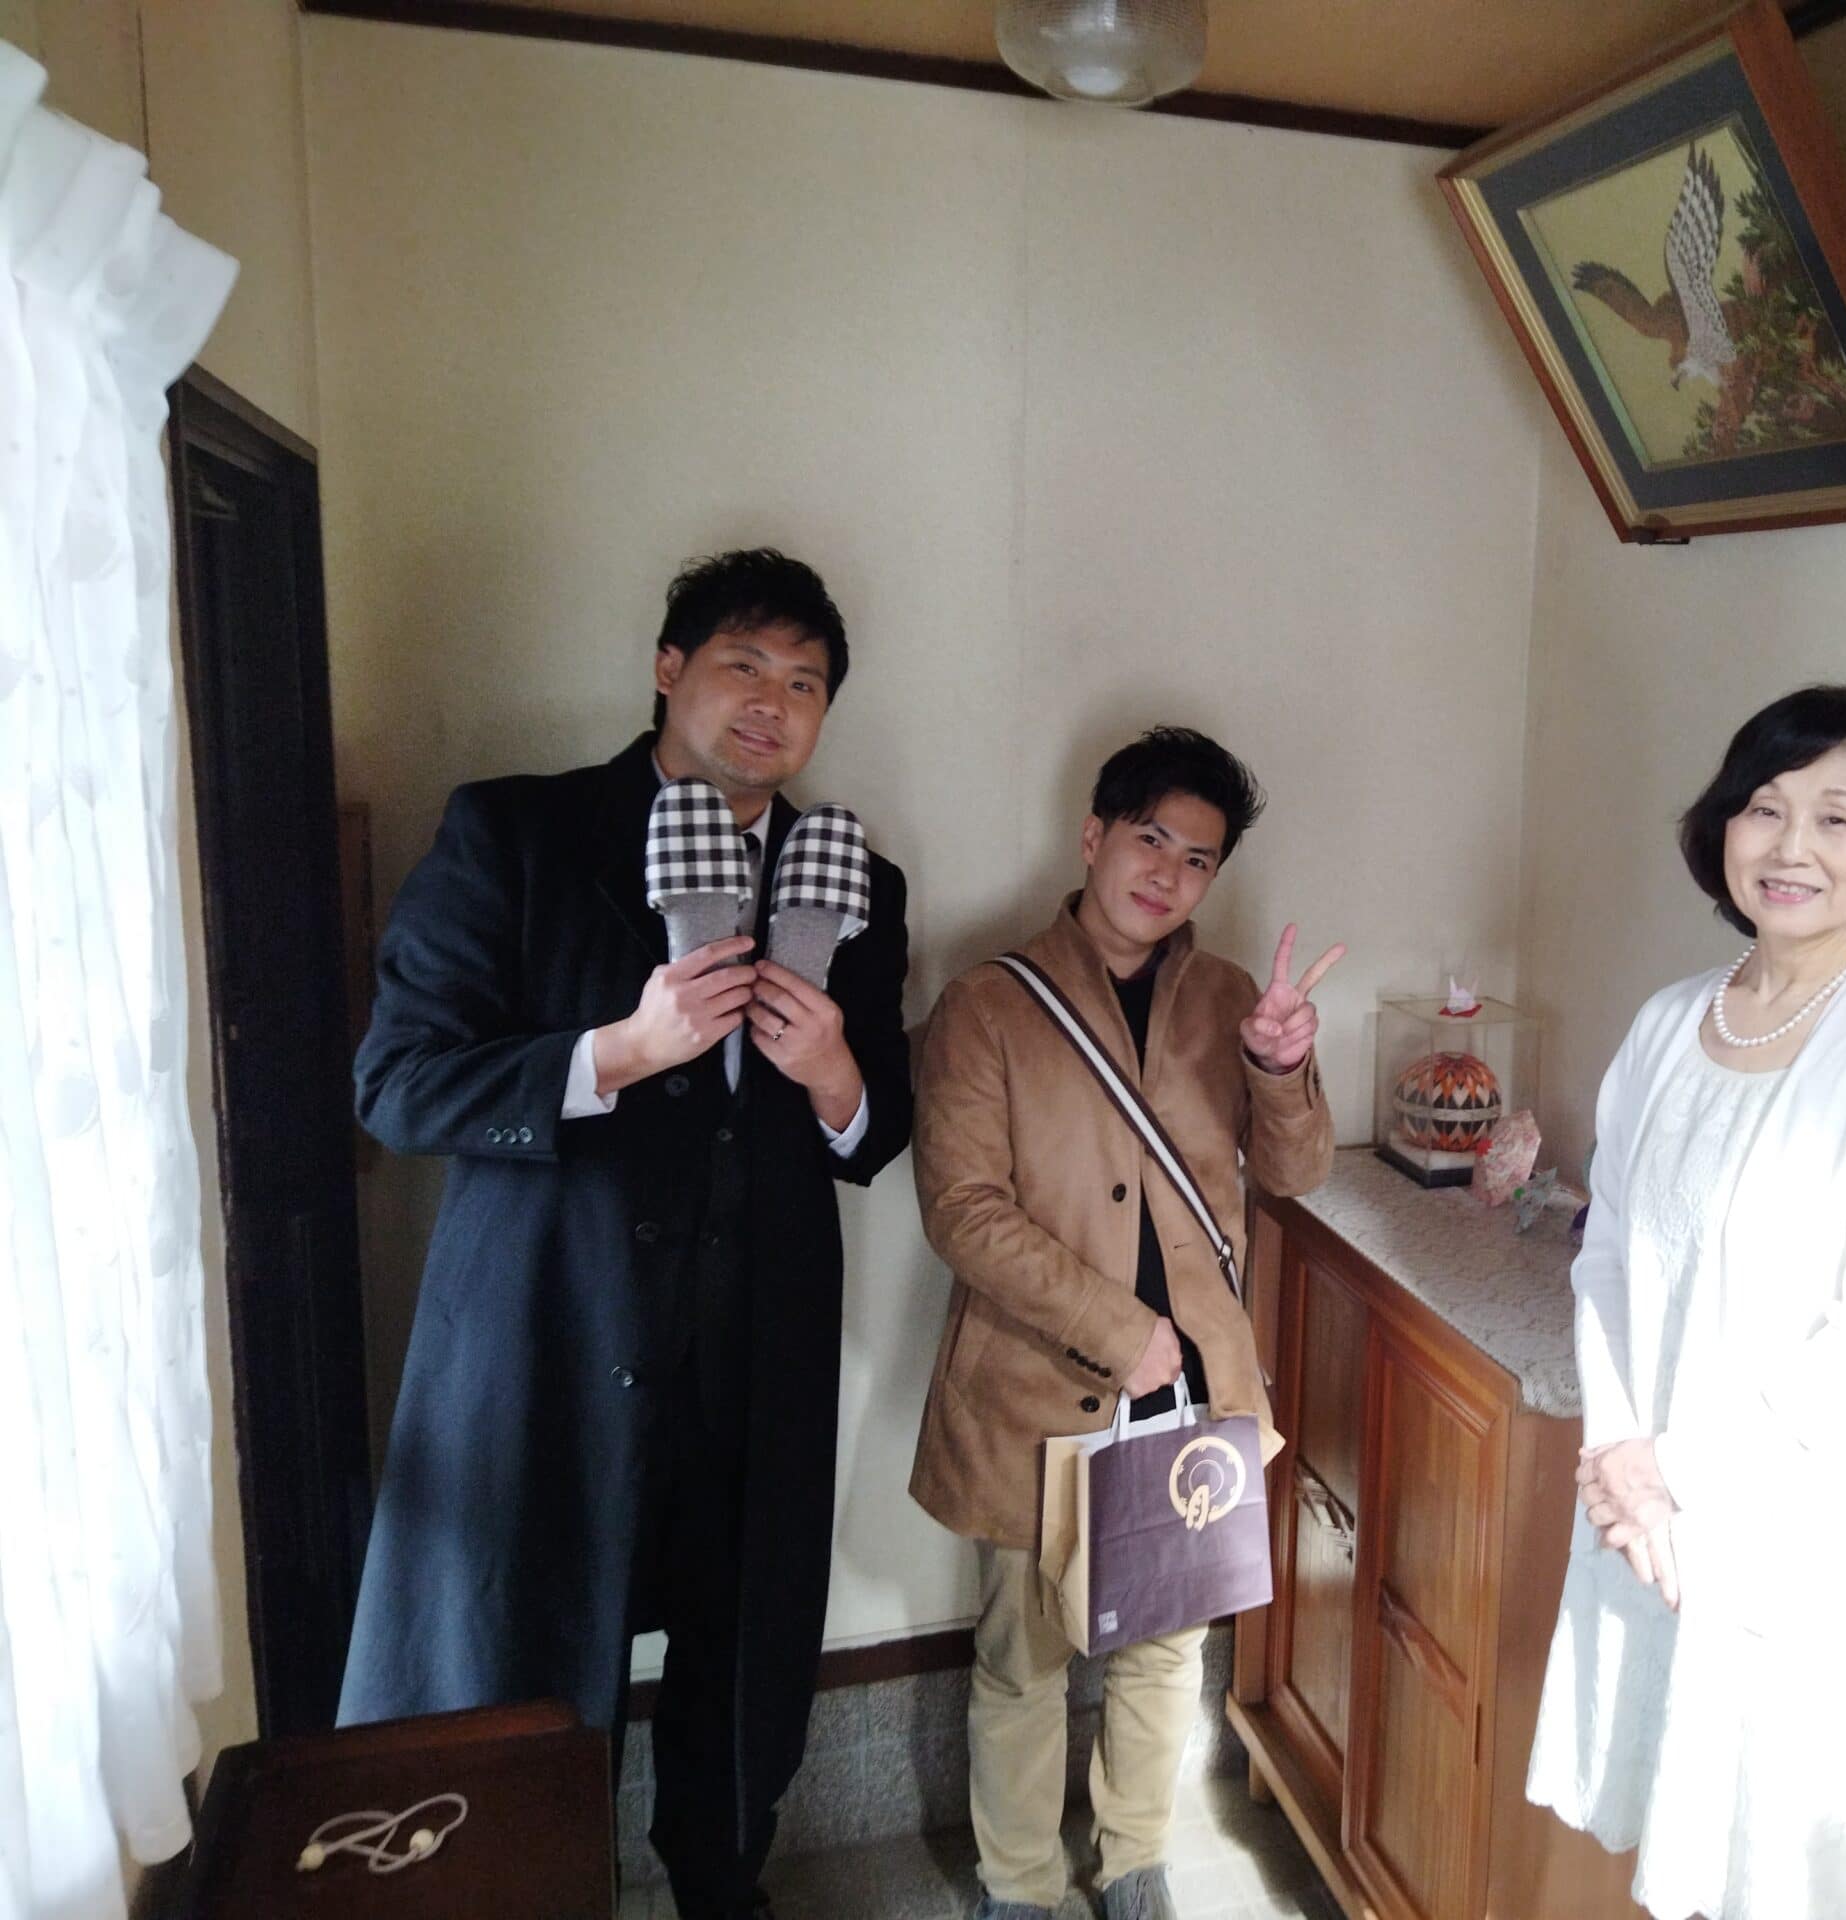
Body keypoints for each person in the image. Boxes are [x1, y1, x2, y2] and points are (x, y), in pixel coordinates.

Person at [340, 549, 914, 1920]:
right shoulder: (518, 834)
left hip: (755, 1353)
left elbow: (877, 1130)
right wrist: (618, 1051)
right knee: (525, 1661)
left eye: (805, 683)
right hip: (552, 1340)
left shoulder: (854, 882)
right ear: (668, 669)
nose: (772, 703)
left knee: (742, 1662)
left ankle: (723, 1887)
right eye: (742, 665)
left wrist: (833, 1071)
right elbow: (397, 1085)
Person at [1526, 685, 1846, 1920]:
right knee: (1659, 1846)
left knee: (1771, 1869)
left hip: (1805, 1552)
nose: (1791, 846)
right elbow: (1607, 1252)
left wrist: (1666, 1470)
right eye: (1765, 807)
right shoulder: (1668, 1024)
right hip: (1648, 1523)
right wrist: (1617, 1451)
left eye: (1836, 818)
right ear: (1723, 828)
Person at [909, 727, 1340, 1920]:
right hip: (1034, 1387)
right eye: (1150, 839)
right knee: (1024, 1655)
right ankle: (1018, 1885)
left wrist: (1280, 1070)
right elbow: (961, 1211)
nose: (1168, 873)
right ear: (1093, 837)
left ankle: (1135, 1858)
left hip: (1194, 1393)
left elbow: (1294, 1176)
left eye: (1198, 858)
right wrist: (1118, 1327)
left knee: (1164, 1646)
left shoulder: (1231, 1000)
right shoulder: (987, 1003)